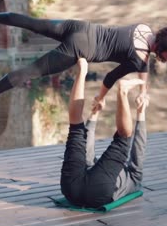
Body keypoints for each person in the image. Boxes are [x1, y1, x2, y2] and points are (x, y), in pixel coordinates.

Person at [0, 12, 167, 113]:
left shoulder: (144, 28)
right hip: (80, 48)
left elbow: (144, 74)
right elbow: (110, 78)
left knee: (30, 22)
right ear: (164, 48)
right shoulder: (139, 60)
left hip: (79, 27)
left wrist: (145, 89)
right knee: (32, 71)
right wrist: (100, 99)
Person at [60, 58, 149, 208]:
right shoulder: (135, 179)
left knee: (121, 139)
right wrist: (141, 113)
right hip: (71, 191)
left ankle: (83, 70)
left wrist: (95, 114)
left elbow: (138, 148)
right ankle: (86, 73)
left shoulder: (135, 176)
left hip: (84, 186)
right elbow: (138, 149)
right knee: (76, 126)